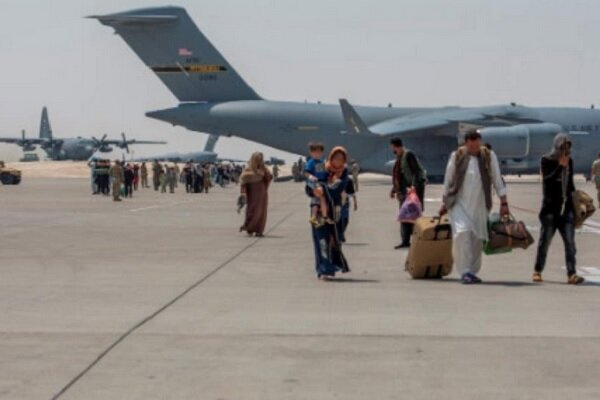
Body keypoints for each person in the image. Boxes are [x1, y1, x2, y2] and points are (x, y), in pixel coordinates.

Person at [440, 130, 509, 284]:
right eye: (471, 146)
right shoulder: (456, 156)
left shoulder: (489, 157)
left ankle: (472, 270)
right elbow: (448, 180)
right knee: (462, 234)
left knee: (477, 239)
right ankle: (465, 271)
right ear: (465, 144)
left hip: (480, 205)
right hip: (458, 204)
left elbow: (498, 180)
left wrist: (504, 202)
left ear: (480, 142)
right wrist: (444, 202)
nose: (474, 149)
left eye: (477, 145)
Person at [533, 133, 585, 285]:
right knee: (545, 242)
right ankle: (537, 270)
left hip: (566, 209)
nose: (565, 152)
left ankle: (572, 274)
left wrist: (577, 203)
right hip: (550, 209)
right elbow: (547, 181)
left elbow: (570, 185)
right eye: (563, 148)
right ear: (556, 146)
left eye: (568, 148)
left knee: (570, 243)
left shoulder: (570, 162)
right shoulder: (546, 160)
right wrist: (560, 166)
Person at [311, 146, 350, 280]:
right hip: (318, 211)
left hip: (335, 213)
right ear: (331, 157)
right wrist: (314, 190)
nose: (338, 161)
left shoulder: (344, 172)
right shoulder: (321, 167)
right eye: (335, 157)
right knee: (321, 240)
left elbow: (337, 189)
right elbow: (309, 185)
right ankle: (323, 269)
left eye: (341, 158)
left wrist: (323, 189)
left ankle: (331, 267)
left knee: (334, 241)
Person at [390, 137, 427, 249]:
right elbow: (399, 176)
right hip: (403, 192)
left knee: (413, 216)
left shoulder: (408, 155)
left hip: (411, 192)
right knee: (404, 217)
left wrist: (413, 187)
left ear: (394, 146)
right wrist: (393, 190)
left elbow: (416, 172)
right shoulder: (400, 157)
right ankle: (405, 241)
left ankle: (419, 239)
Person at [239, 152, 272, 236]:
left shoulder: (263, 169)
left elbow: (268, 177)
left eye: (261, 159)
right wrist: (243, 193)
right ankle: (249, 228)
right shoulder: (248, 170)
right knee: (252, 211)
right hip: (252, 194)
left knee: (262, 212)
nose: (259, 161)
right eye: (258, 159)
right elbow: (243, 183)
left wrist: (264, 170)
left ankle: (259, 230)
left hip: (262, 194)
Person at [304, 142, 330, 226]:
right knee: (321, 198)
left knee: (317, 200)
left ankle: (316, 217)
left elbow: (322, 174)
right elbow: (306, 172)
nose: (317, 154)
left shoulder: (321, 162)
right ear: (311, 153)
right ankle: (324, 217)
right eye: (315, 152)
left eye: (319, 152)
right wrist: (311, 177)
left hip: (321, 183)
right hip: (314, 184)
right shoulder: (311, 162)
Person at [340, 176, 358, 242]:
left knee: (345, 220)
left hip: (345, 203)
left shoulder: (348, 180)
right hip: (337, 202)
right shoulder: (334, 177)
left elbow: (353, 193)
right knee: (340, 220)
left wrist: (355, 203)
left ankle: (341, 233)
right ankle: (340, 235)